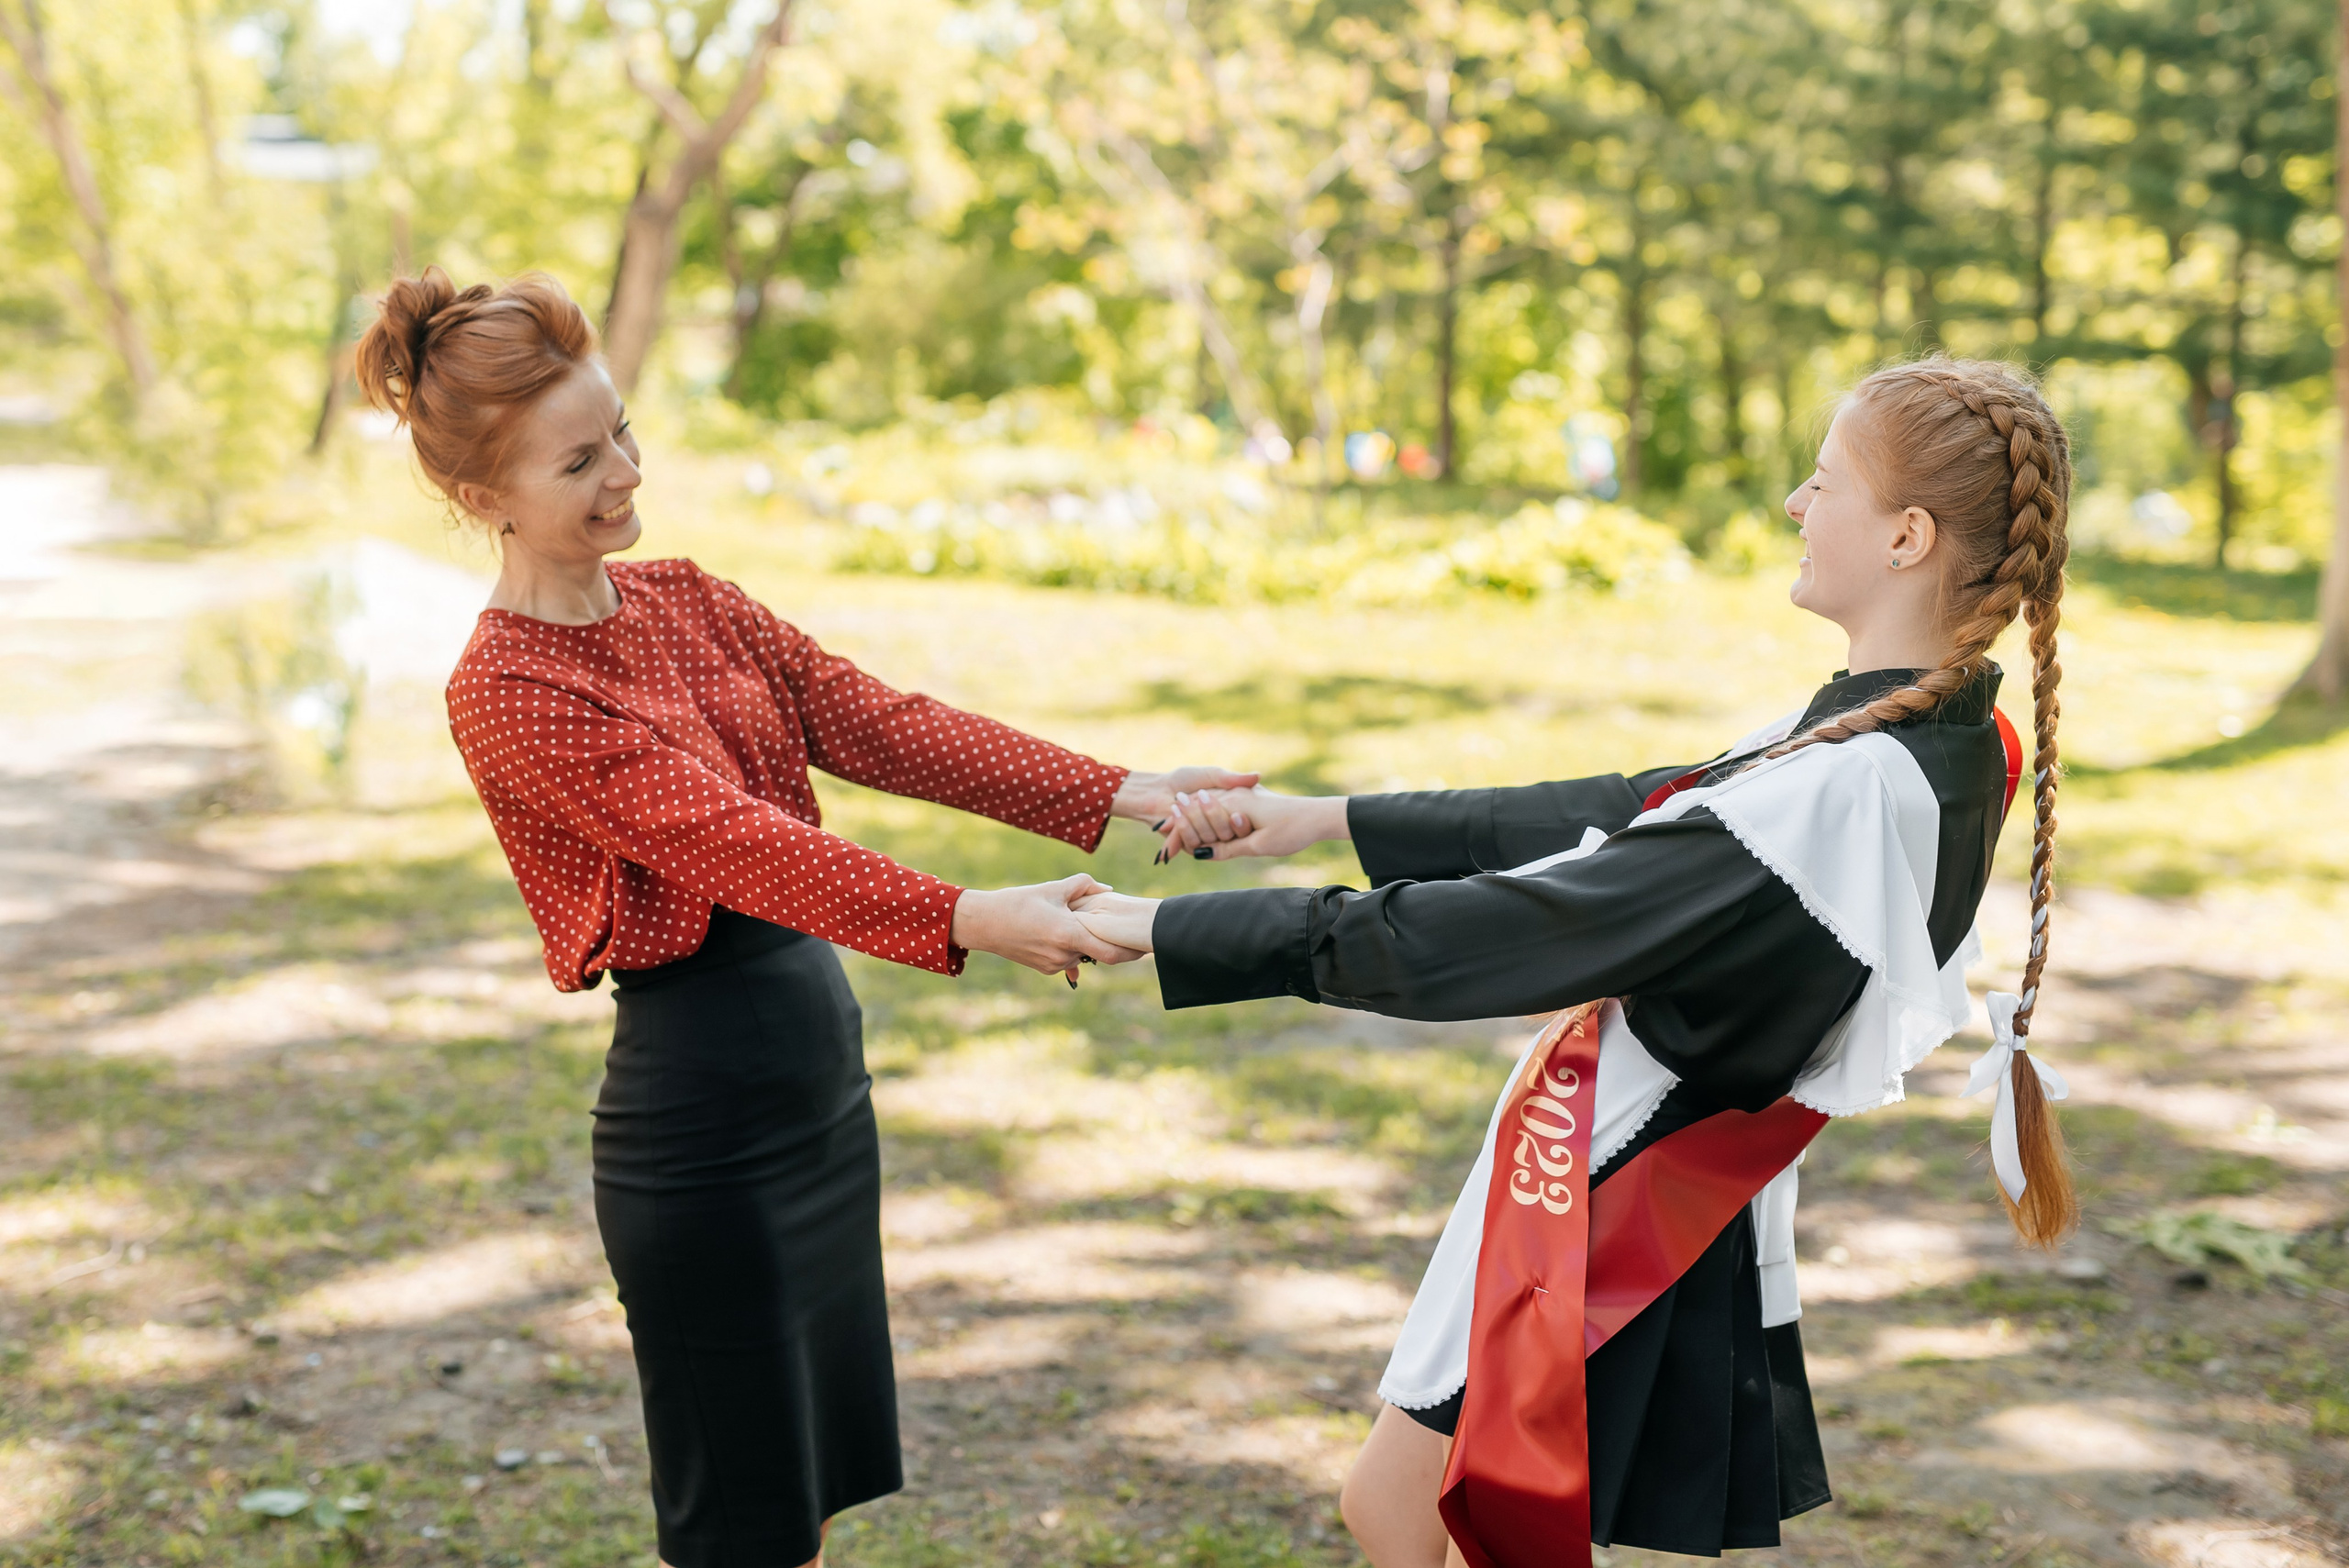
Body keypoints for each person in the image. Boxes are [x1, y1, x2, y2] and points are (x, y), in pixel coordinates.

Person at [1076, 357, 2078, 1566]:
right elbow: (1632, 803)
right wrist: (1324, 813)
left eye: (1822, 483)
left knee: (1413, 1510)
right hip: (1668, 1185)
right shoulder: (1946, 725)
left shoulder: (1838, 791)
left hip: (1608, 1200)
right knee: (1450, 1518)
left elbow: (1483, 940)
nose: (1794, 508)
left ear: (1909, 534)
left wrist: (1161, 929)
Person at [351, 267, 1247, 1568]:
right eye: (578, 463)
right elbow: (737, 848)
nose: (624, 475)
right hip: (703, 1120)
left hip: (815, 1079)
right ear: (481, 497)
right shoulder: (507, 688)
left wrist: (1119, 789)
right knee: (741, 1529)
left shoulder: (690, 598)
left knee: (806, 1506)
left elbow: (878, 720)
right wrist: (977, 917)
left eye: (622, 432)